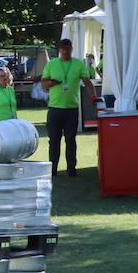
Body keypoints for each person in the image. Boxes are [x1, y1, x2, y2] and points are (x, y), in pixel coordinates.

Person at [41, 38, 96, 176]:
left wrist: (93, 97)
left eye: (68, 48)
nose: (65, 51)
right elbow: (43, 84)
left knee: (71, 139)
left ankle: (71, 168)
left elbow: (87, 82)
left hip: (72, 108)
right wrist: (52, 83)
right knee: (54, 140)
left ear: (72, 48)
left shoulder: (78, 64)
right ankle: (53, 169)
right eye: (63, 48)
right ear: (59, 50)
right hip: (54, 108)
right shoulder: (51, 64)